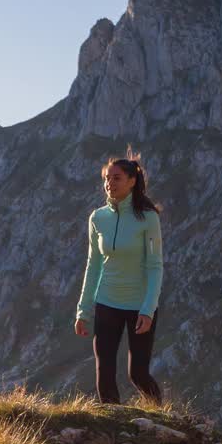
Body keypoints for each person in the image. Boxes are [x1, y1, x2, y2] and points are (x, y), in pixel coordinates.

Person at [73, 152, 165, 405]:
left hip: (139, 305)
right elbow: (93, 266)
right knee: (104, 370)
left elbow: (155, 266)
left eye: (116, 178)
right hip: (107, 302)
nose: (109, 183)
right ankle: (112, 427)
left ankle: (160, 415)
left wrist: (148, 310)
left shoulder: (148, 218)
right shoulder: (98, 217)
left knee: (138, 374)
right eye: (106, 178)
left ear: (132, 180)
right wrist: (83, 311)